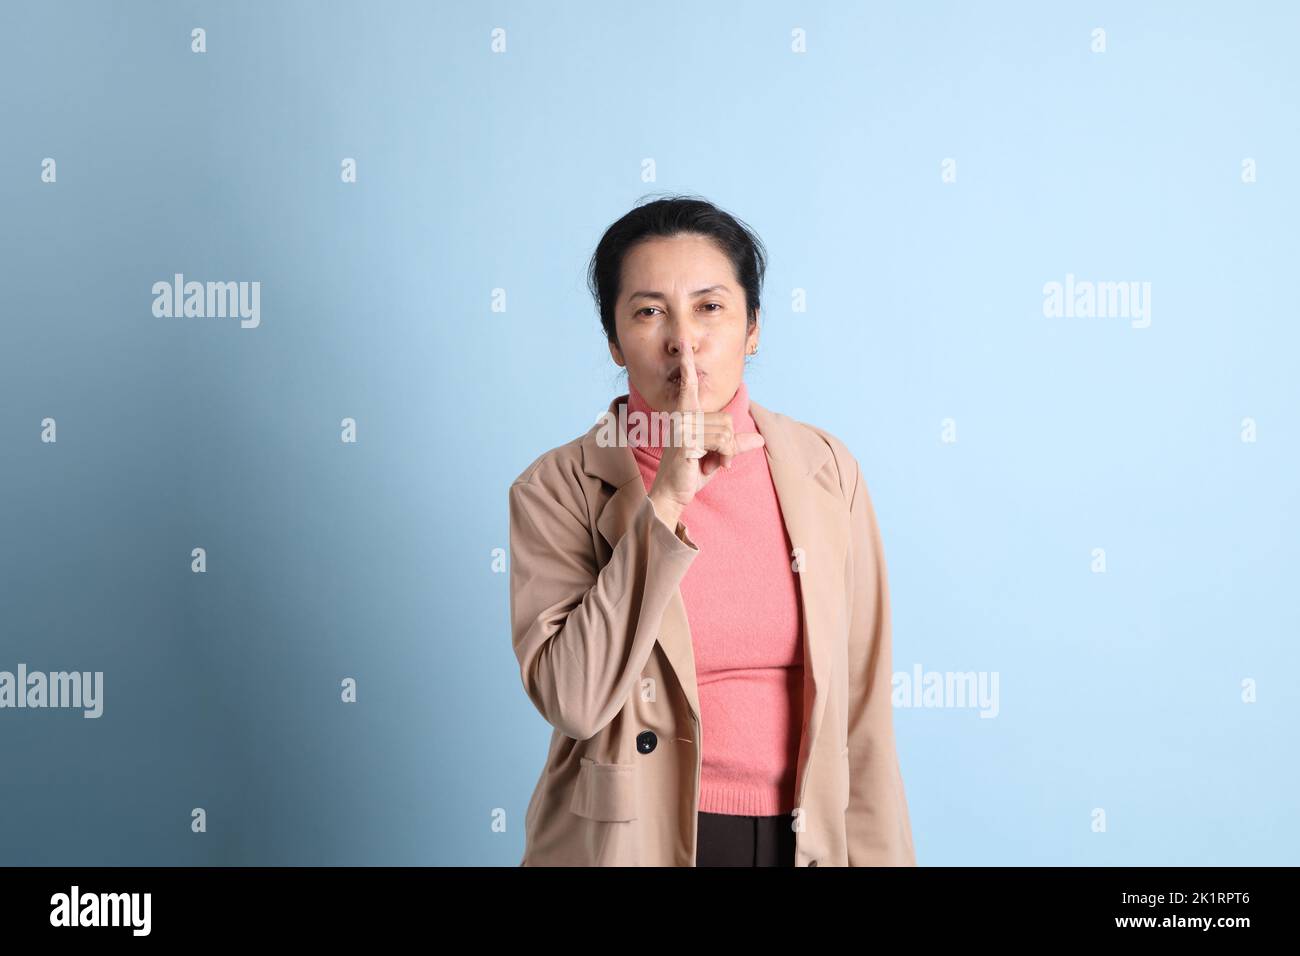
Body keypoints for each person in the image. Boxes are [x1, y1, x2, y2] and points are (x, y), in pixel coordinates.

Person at [508, 195, 915, 866]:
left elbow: (863, 712)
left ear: (753, 327)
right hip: (636, 839)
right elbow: (575, 701)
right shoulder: (556, 487)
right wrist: (665, 500)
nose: (682, 339)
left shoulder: (825, 469)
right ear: (613, 339)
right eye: (648, 311)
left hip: (804, 838)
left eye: (710, 307)